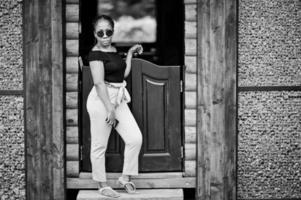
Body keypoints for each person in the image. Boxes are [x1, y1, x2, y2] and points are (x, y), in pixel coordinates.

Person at [86, 15, 143, 198]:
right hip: (101, 101)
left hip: (117, 98)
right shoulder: (95, 54)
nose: (104, 36)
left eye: (108, 32)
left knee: (135, 138)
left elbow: (122, 74)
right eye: (100, 32)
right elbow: (99, 84)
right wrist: (110, 108)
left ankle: (125, 178)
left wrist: (130, 53)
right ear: (95, 34)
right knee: (99, 145)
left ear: (113, 31)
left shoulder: (112, 49)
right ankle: (102, 185)